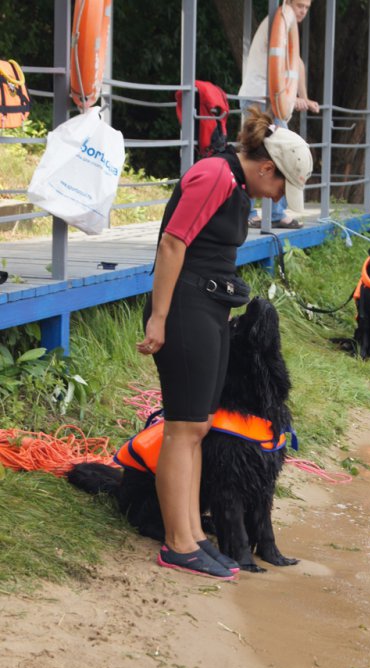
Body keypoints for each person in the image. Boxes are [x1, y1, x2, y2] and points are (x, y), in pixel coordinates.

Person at [136, 106, 313, 580]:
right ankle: (177, 544)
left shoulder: (236, 185)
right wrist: (159, 318)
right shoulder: (214, 175)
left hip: (211, 310)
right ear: (267, 168)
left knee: (199, 427)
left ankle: (193, 534)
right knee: (182, 427)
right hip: (185, 308)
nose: (278, 197)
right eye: (281, 187)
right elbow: (172, 243)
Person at [238, 0, 319, 230]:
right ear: (287, 2)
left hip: (269, 97)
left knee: (274, 153)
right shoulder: (279, 20)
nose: (302, 11)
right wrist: (292, 99)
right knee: (261, 151)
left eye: (306, 7)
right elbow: (280, 66)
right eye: (299, 5)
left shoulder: (289, 24)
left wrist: (304, 96)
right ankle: (255, 212)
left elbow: (296, 64)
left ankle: (273, 212)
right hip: (261, 96)